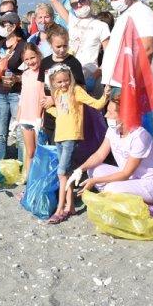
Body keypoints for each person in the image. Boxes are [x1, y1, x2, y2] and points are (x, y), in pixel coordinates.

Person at [68, 88, 153, 209]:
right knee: (92, 170)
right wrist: (79, 169)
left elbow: (126, 173)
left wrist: (95, 181)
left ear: (124, 115)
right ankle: (129, 202)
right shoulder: (113, 130)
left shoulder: (139, 136)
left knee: (110, 188)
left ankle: (146, 206)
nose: (105, 115)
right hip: (131, 178)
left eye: (110, 112)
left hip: (150, 183)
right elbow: (99, 155)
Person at [45, 66, 107, 224]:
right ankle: (70, 206)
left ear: (70, 78)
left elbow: (96, 105)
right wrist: (48, 109)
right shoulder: (58, 94)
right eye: (59, 82)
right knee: (67, 172)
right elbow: (61, 113)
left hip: (72, 137)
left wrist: (105, 96)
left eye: (66, 80)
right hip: (60, 136)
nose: (63, 84)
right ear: (53, 82)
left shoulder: (76, 91)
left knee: (61, 173)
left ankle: (60, 209)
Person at [41, 0, 111, 83]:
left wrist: (96, 75)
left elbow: (110, 55)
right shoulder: (72, 20)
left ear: (88, 1)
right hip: (68, 75)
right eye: (74, 4)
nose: (79, 5)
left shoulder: (101, 26)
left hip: (90, 75)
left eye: (82, 1)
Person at [99, 0, 153, 87]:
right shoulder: (124, 15)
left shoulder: (142, 12)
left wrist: (134, 82)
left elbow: (148, 49)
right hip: (116, 82)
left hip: (127, 83)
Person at [38, 25, 85, 144]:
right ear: (50, 44)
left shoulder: (73, 63)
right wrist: (41, 110)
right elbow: (42, 86)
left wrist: (54, 100)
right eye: (58, 46)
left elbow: (80, 90)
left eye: (65, 45)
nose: (62, 49)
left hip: (67, 117)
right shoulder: (45, 62)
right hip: (50, 115)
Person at [0, 12, 25, 161]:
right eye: (0, 24)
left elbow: (30, 72)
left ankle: (24, 166)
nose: (1, 27)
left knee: (21, 134)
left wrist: (17, 78)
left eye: (4, 24)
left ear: (14, 26)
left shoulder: (24, 46)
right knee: (0, 134)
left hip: (16, 94)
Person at [13, 44, 43, 182]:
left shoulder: (44, 73)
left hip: (39, 118)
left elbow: (42, 96)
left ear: (38, 55)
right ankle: (30, 183)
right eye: (27, 59)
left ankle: (39, 183)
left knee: (40, 153)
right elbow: (23, 97)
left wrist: (39, 117)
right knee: (29, 152)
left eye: (32, 57)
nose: (30, 62)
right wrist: (17, 119)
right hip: (26, 117)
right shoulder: (25, 74)